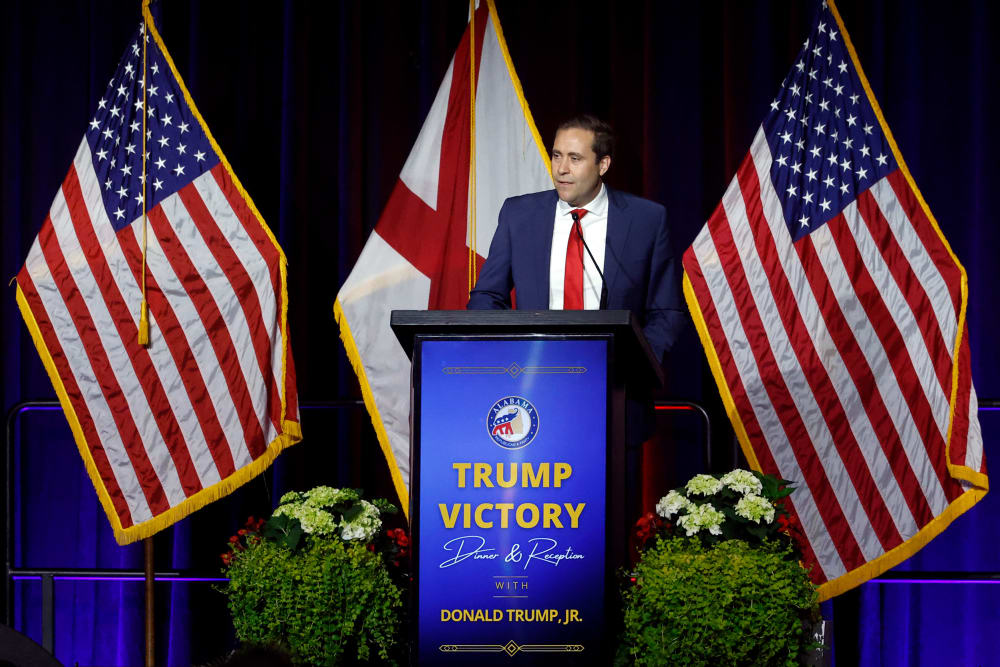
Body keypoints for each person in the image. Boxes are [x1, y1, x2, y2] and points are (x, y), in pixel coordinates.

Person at [467, 114, 684, 365]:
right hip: (535, 370)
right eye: (557, 155)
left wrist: (636, 363)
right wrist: (512, 352)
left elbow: (666, 310)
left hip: (615, 374)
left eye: (575, 158)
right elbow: (487, 296)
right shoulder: (519, 215)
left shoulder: (646, 220)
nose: (561, 169)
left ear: (603, 165)